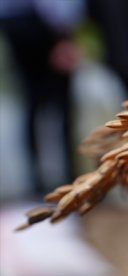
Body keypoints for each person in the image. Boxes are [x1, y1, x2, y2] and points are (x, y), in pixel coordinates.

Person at [0, 0, 84, 197]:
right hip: (42, 24)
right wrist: (63, 36)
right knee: (61, 104)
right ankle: (67, 175)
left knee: (32, 102)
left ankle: (37, 178)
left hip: (12, 21)